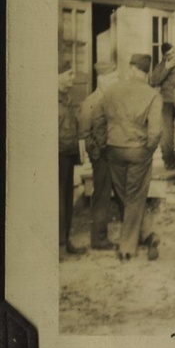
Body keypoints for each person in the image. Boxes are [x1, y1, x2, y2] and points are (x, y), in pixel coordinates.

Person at [94, 54, 162, 261]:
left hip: (114, 149)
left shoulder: (112, 90)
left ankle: (144, 234)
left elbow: (99, 120)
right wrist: (148, 150)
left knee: (124, 195)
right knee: (134, 197)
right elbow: (155, 131)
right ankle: (127, 247)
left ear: (132, 68)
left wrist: (104, 143)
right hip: (138, 150)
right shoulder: (153, 95)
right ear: (146, 71)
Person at [78, 61, 119, 250]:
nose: (116, 81)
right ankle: (98, 239)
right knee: (102, 197)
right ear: (102, 79)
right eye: (112, 78)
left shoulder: (112, 99)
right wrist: (96, 156)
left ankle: (131, 235)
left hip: (114, 154)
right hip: (102, 157)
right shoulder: (92, 102)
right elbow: (85, 134)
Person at [58, 60, 87, 256]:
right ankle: (58, 246)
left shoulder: (66, 98)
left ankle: (65, 241)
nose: (73, 78)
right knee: (57, 200)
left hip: (68, 154)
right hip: (56, 155)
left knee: (67, 199)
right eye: (68, 74)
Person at [149, 42, 175, 170]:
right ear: (164, 56)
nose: (172, 56)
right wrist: (166, 68)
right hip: (166, 103)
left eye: (173, 52)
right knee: (166, 135)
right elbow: (154, 81)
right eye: (169, 54)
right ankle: (169, 162)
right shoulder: (160, 67)